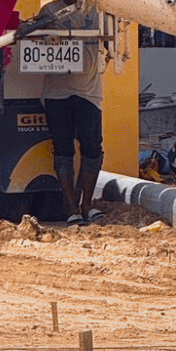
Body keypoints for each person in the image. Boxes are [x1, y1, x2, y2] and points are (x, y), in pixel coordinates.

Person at [42, 39, 104, 225]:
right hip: (57, 92)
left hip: (89, 92)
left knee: (93, 148)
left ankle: (86, 205)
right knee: (63, 148)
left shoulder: (95, 11)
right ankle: (71, 207)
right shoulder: (50, 10)